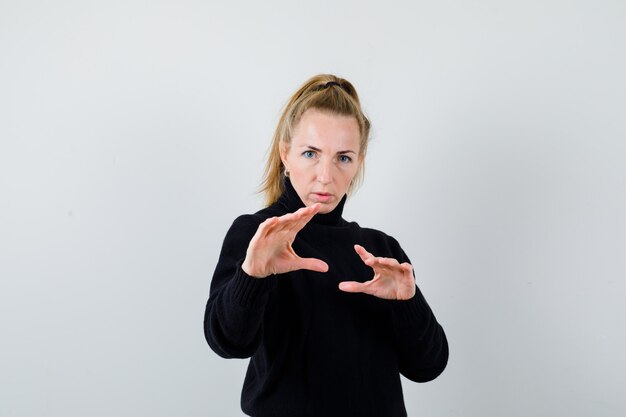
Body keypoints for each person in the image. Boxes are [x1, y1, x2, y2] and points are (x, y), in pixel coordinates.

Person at [204, 74, 448, 417]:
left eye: (343, 158)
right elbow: (228, 342)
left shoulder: (380, 250)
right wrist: (253, 275)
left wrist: (408, 303)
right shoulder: (258, 234)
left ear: (359, 162)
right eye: (310, 153)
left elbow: (428, 366)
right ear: (285, 154)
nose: (325, 175)